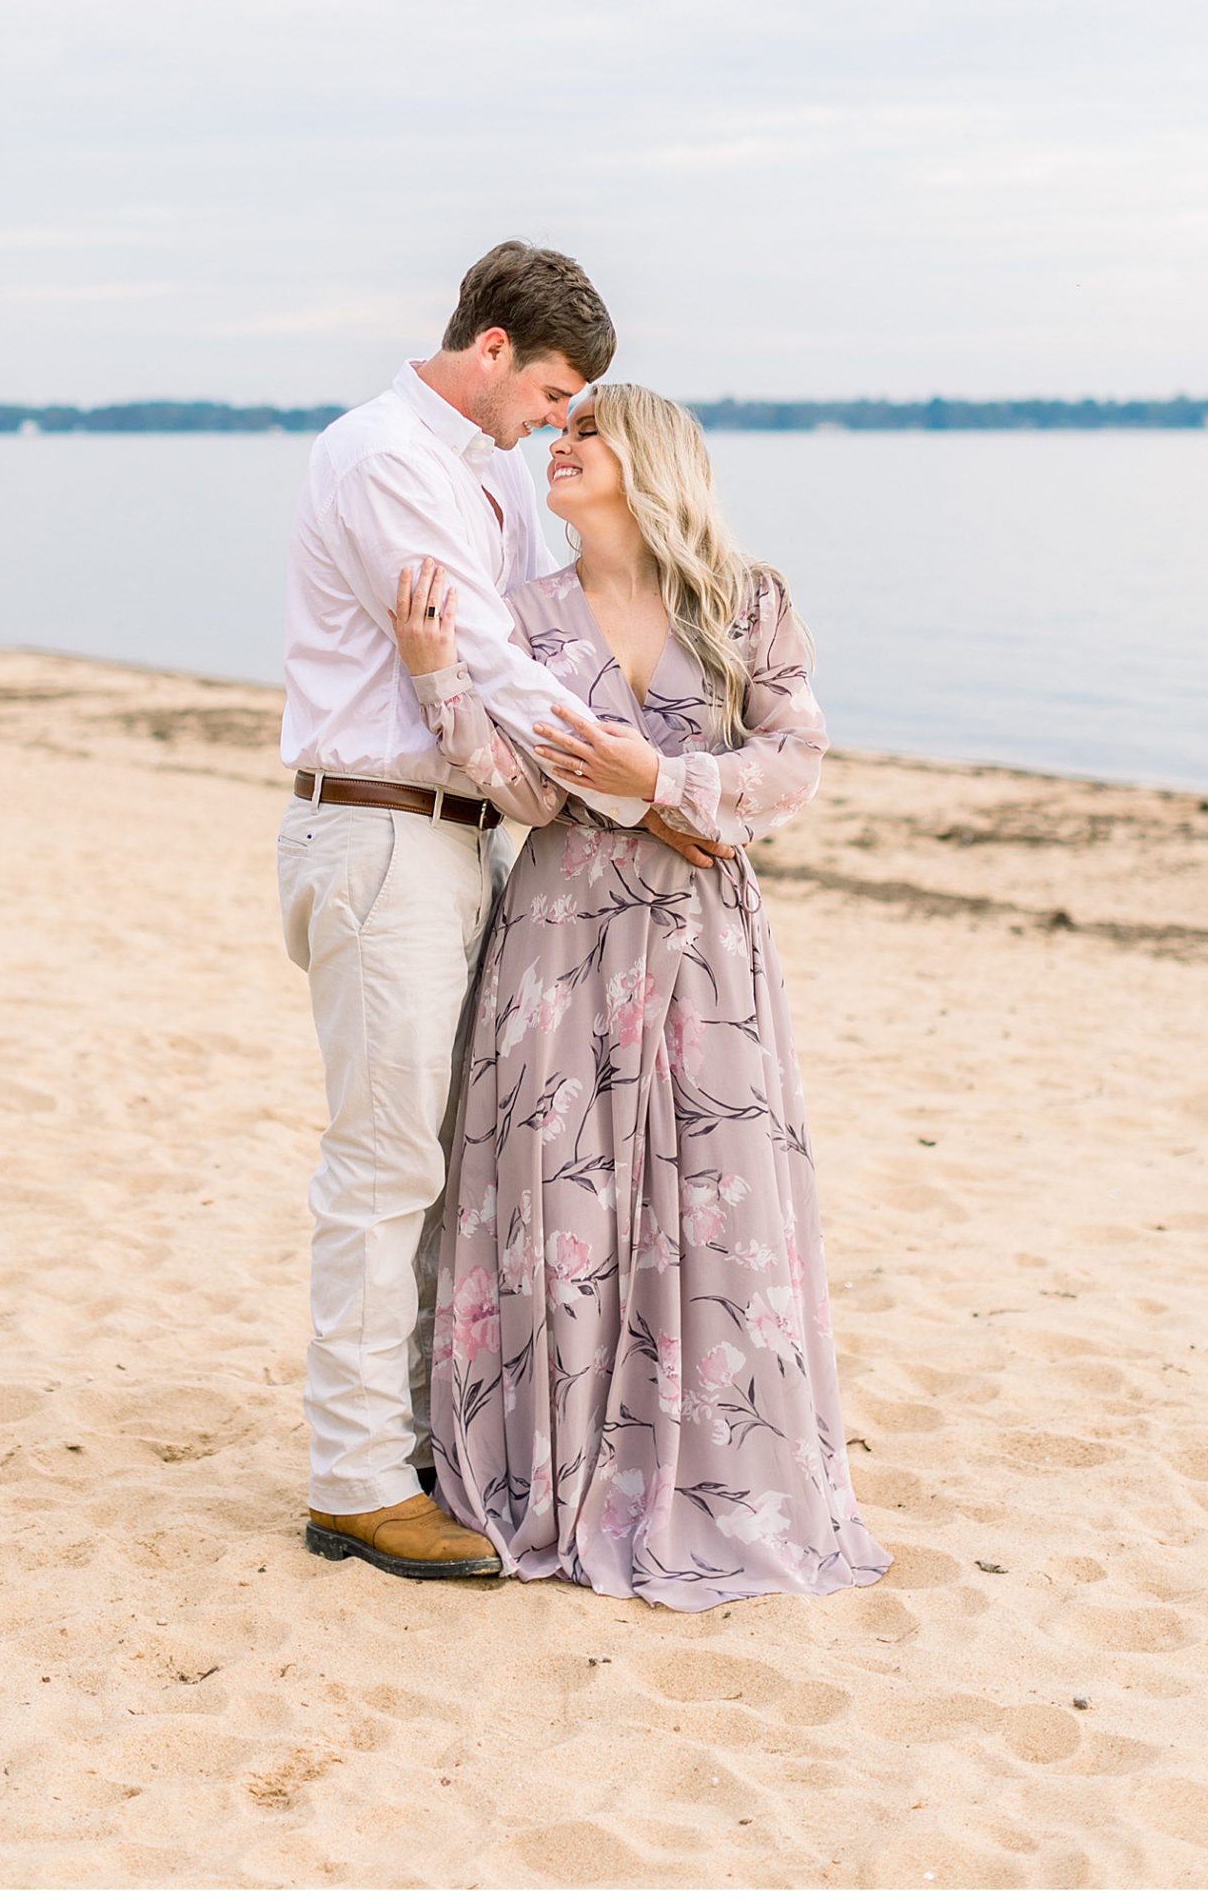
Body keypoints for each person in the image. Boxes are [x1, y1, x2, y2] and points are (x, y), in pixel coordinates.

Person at [391, 383, 892, 1609]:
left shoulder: (746, 600)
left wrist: (654, 770)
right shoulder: (523, 616)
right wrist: (437, 674)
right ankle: (550, 1460)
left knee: (708, 1200)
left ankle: (702, 1472)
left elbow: (794, 767)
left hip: (705, 947)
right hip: (558, 939)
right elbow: (521, 789)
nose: (556, 449)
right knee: (551, 1202)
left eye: (583, 433)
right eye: (555, 430)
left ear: (649, 458)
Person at [276, 245, 728, 1582]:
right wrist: (648, 787)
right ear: (489, 352)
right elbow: (490, 663)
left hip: (455, 840)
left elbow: (521, 661)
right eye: (549, 393)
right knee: (385, 1168)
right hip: (381, 832)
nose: (553, 422)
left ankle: (415, 1439)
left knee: (442, 1164)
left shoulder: (476, 475)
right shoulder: (386, 460)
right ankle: (355, 1482)